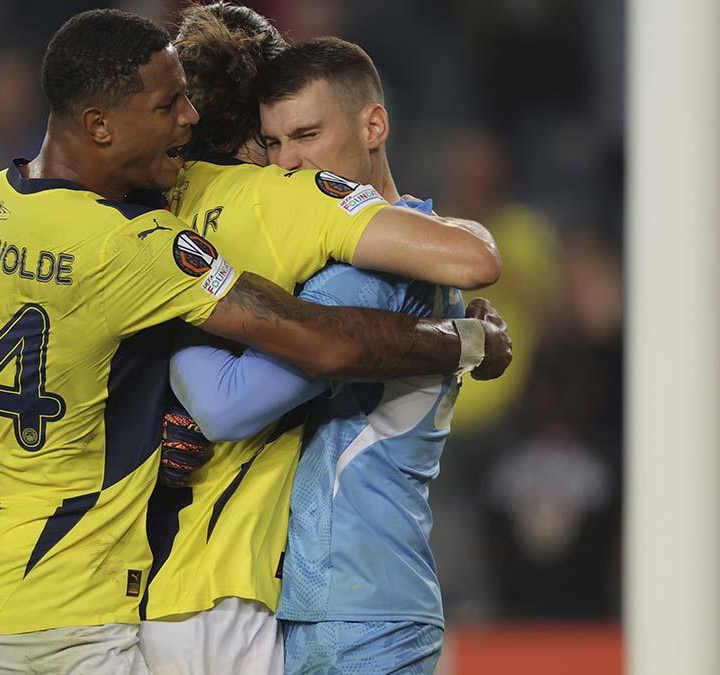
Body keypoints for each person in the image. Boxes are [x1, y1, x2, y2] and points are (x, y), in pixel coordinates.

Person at [0, 10, 508, 675]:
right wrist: (467, 341)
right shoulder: (258, 206)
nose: (185, 117)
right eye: (169, 105)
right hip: (134, 593)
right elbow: (389, 302)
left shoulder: (1, 198)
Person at [138, 5, 510, 674]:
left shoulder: (366, 268)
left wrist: (179, 314)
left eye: (306, 135)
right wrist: (472, 340)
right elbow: (471, 248)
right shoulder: (401, 238)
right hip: (347, 598)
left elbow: (228, 403)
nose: (288, 164)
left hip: (357, 605)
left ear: (373, 124)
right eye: (273, 141)